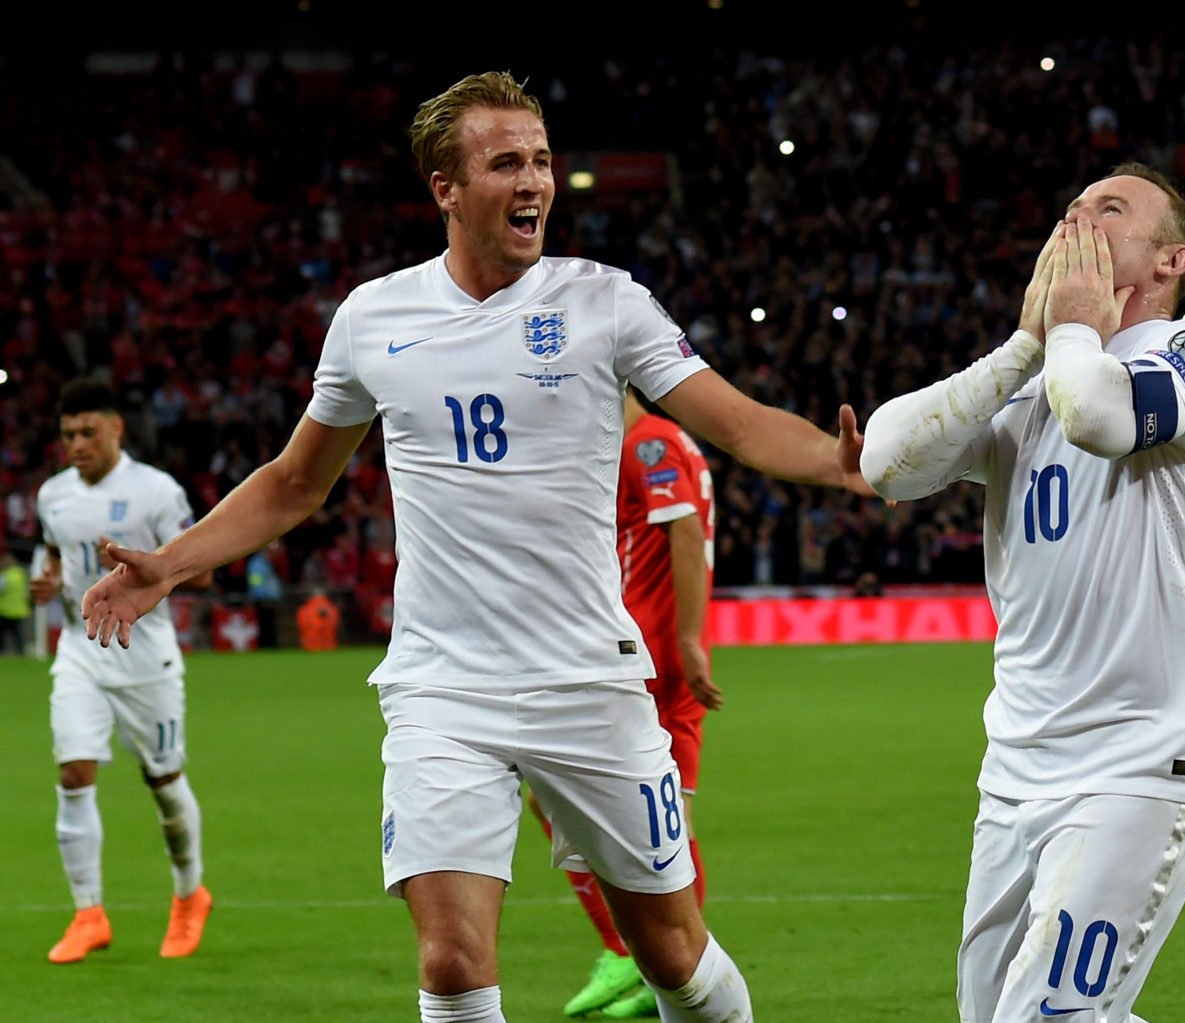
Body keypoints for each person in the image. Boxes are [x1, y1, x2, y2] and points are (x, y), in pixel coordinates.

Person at [81, 71, 869, 1023]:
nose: (532, 179)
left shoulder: (606, 303)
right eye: (505, 163)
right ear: (445, 188)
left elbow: (739, 425)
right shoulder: (374, 319)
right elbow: (296, 483)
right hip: (442, 688)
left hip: (588, 680)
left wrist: (838, 462)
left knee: (671, 952)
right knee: (453, 964)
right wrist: (171, 561)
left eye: (540, 160)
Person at [861, 163, 1185, 1023]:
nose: (1078, 218)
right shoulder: (1036, 376)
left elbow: (1101, 418)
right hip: (1019, 763)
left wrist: (1069, 332)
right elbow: (886, 460)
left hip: (1140, 759)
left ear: (1169, 261)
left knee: (1047, 1016)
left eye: (1110, 209)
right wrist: (1025, 346)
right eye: (1073, 207)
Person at [535, 387, 721, 1019]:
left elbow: (688, 533)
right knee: (665, 813)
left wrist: (688, 641)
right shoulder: (646, 445)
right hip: (652, 650)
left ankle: (638, 952)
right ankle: (668, 961)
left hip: (646, 656)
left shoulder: (649, 443)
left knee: (557, 792)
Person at [30, 378, 215, 963]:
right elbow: (54, 552)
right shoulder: (51, 495)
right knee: (74, 773)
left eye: (88, 432)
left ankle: (190, 895)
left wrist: (151, 572)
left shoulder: (155, 492)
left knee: (163, 783)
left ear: (116, 429)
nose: (77, 444)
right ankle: (89, 913)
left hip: (146, 658)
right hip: (81, 651)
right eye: (67, 435)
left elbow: (202, 571)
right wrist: (49, 578)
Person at [0, 549, 30, 654]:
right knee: (18, 636)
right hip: (19, 611)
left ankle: (3, 653)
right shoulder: (20, 573)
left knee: (2, 636)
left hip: (5, 612)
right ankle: (21, 653)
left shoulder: (5, 575)